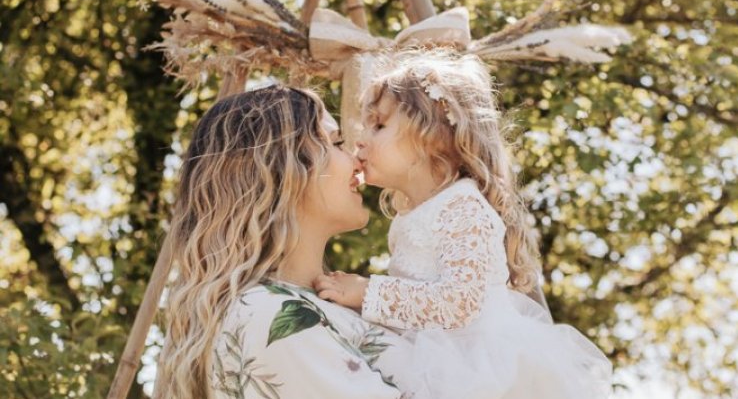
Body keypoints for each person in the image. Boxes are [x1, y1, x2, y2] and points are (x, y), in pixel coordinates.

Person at [314, 51, 613, 399]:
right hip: (438, 354)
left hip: (479, 366)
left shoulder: (463, 206)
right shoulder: (415, 213)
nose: (361, 139)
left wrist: (367, 293)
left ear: (434, 137)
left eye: (379, 125)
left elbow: (459, 301)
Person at [152, 85, 418, 399]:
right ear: (282, 170)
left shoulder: (314, 303)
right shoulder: (271, 314)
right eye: (335, 142)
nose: (357, 159)